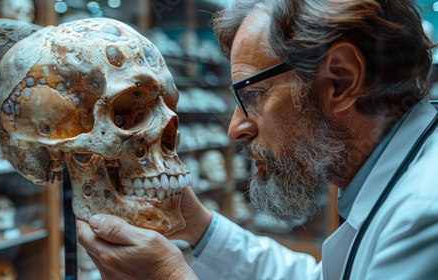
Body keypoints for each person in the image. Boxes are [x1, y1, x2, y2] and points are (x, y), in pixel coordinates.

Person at [76, 0, 438, 279]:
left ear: (340, 81)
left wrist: (169, 275)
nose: (236, 129)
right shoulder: (394, 179)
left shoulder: (424, 214)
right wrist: (197, 224)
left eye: (253, 95)